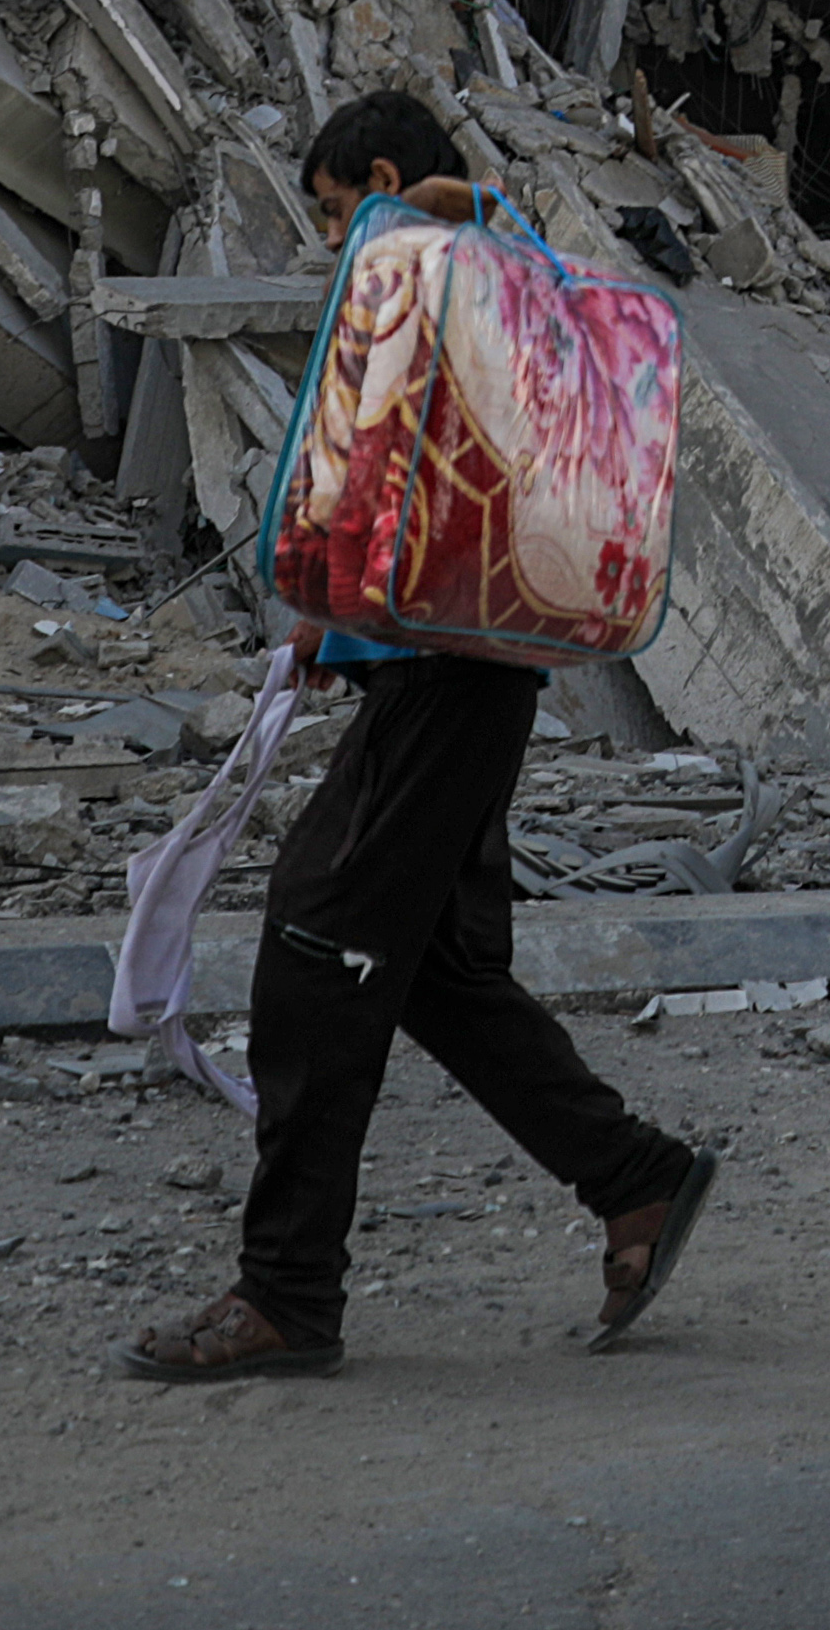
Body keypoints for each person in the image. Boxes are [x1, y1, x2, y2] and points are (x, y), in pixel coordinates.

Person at [124, 101, 718, 1387]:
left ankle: (287, 1292)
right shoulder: (443, 283)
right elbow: (409, 480)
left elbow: (490, 250)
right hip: (452, 669)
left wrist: (450, 207)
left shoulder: (452, 258)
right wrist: (326, 621)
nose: (336, 234)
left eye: (338, 208)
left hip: (449, 682)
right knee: (436, 975)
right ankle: (636, 1177)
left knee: (313, 939)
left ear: (383, 180)